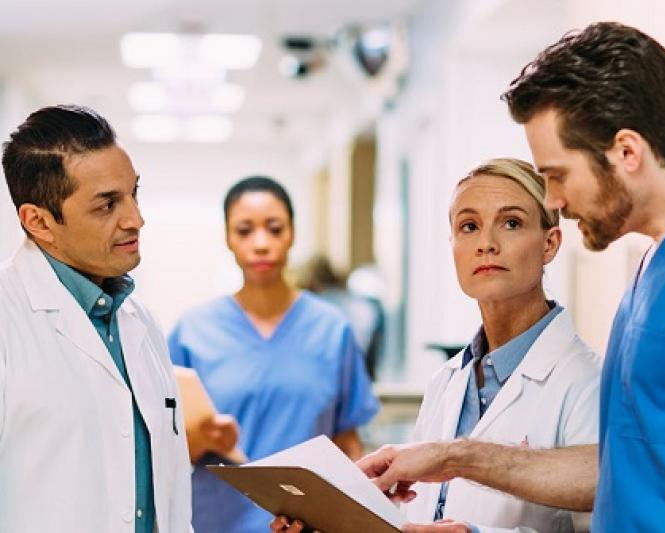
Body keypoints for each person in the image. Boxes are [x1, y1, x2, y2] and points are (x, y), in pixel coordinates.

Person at [358, 21, 665, 533]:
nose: (555, 200)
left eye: (558, 175)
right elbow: (615, 467)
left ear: (627, 152)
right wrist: (450, 458)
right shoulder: (656, 266)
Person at [271, 159, 601, 533]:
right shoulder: (448, 381)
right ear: (453, 246)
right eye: (469, 226)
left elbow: (605, 525)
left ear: (549, 244)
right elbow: (419, 519)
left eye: (511, 223)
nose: (487, 244)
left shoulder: (587, 381)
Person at [0, 105, 191, 532]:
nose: (136, 219)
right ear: (39, 222)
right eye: (107, 205)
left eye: (133, 194)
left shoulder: (140, 323)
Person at [168, 176, 380, 533]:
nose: (261, 244)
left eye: (275, 228)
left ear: (293, 234)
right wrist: (200, 440)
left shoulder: (331, 329)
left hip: (309, 526)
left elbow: (348, 441)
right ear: (227, 238)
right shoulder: (193, 331)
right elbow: (161, 451)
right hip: (215, 523)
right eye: (245, 230)